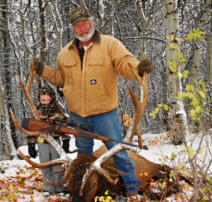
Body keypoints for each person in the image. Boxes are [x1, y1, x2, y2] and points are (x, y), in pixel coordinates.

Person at [30, 7, 153, 198]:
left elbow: (124, 63)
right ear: (73, 28)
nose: (82, 28)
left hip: (105, 113)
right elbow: (61, 78)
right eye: (78, 25)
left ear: (92, 23)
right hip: (78, 115)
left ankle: (131, 189)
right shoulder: (65, 54)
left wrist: (138, 69)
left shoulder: (109, 45)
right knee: (83, 156)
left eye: (85, 23)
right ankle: (83, 190)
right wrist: (43, 71)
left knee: (118, 151)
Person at [21, 84, 70, 194]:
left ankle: (59, 187)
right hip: (42, 142)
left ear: (52, 98)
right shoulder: (37, 112)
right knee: (45, 165)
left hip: (55, 142)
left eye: (48, 99)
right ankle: (48, 187)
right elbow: (32, 128)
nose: (46, 102)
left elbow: (64, 127)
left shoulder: (57, 112)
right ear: (39, 99)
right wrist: (31, 144)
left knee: (57, 165)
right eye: (43, 100)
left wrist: (66, 140)